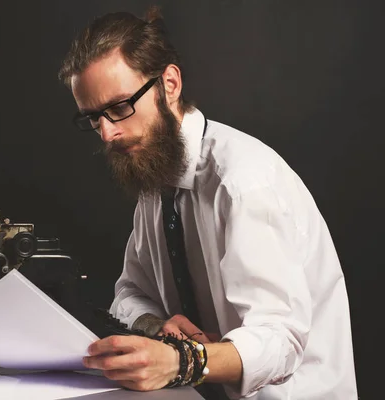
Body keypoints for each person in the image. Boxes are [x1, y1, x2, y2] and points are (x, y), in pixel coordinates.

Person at [58, 6, 357, 400]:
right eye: (94, 118)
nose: (108, 134)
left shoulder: (243, 183)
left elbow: (281, 341)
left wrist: (183, 361)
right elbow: (129, 293)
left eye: (119, 108)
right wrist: (154, 325)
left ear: (169, 83)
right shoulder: (154, 174)